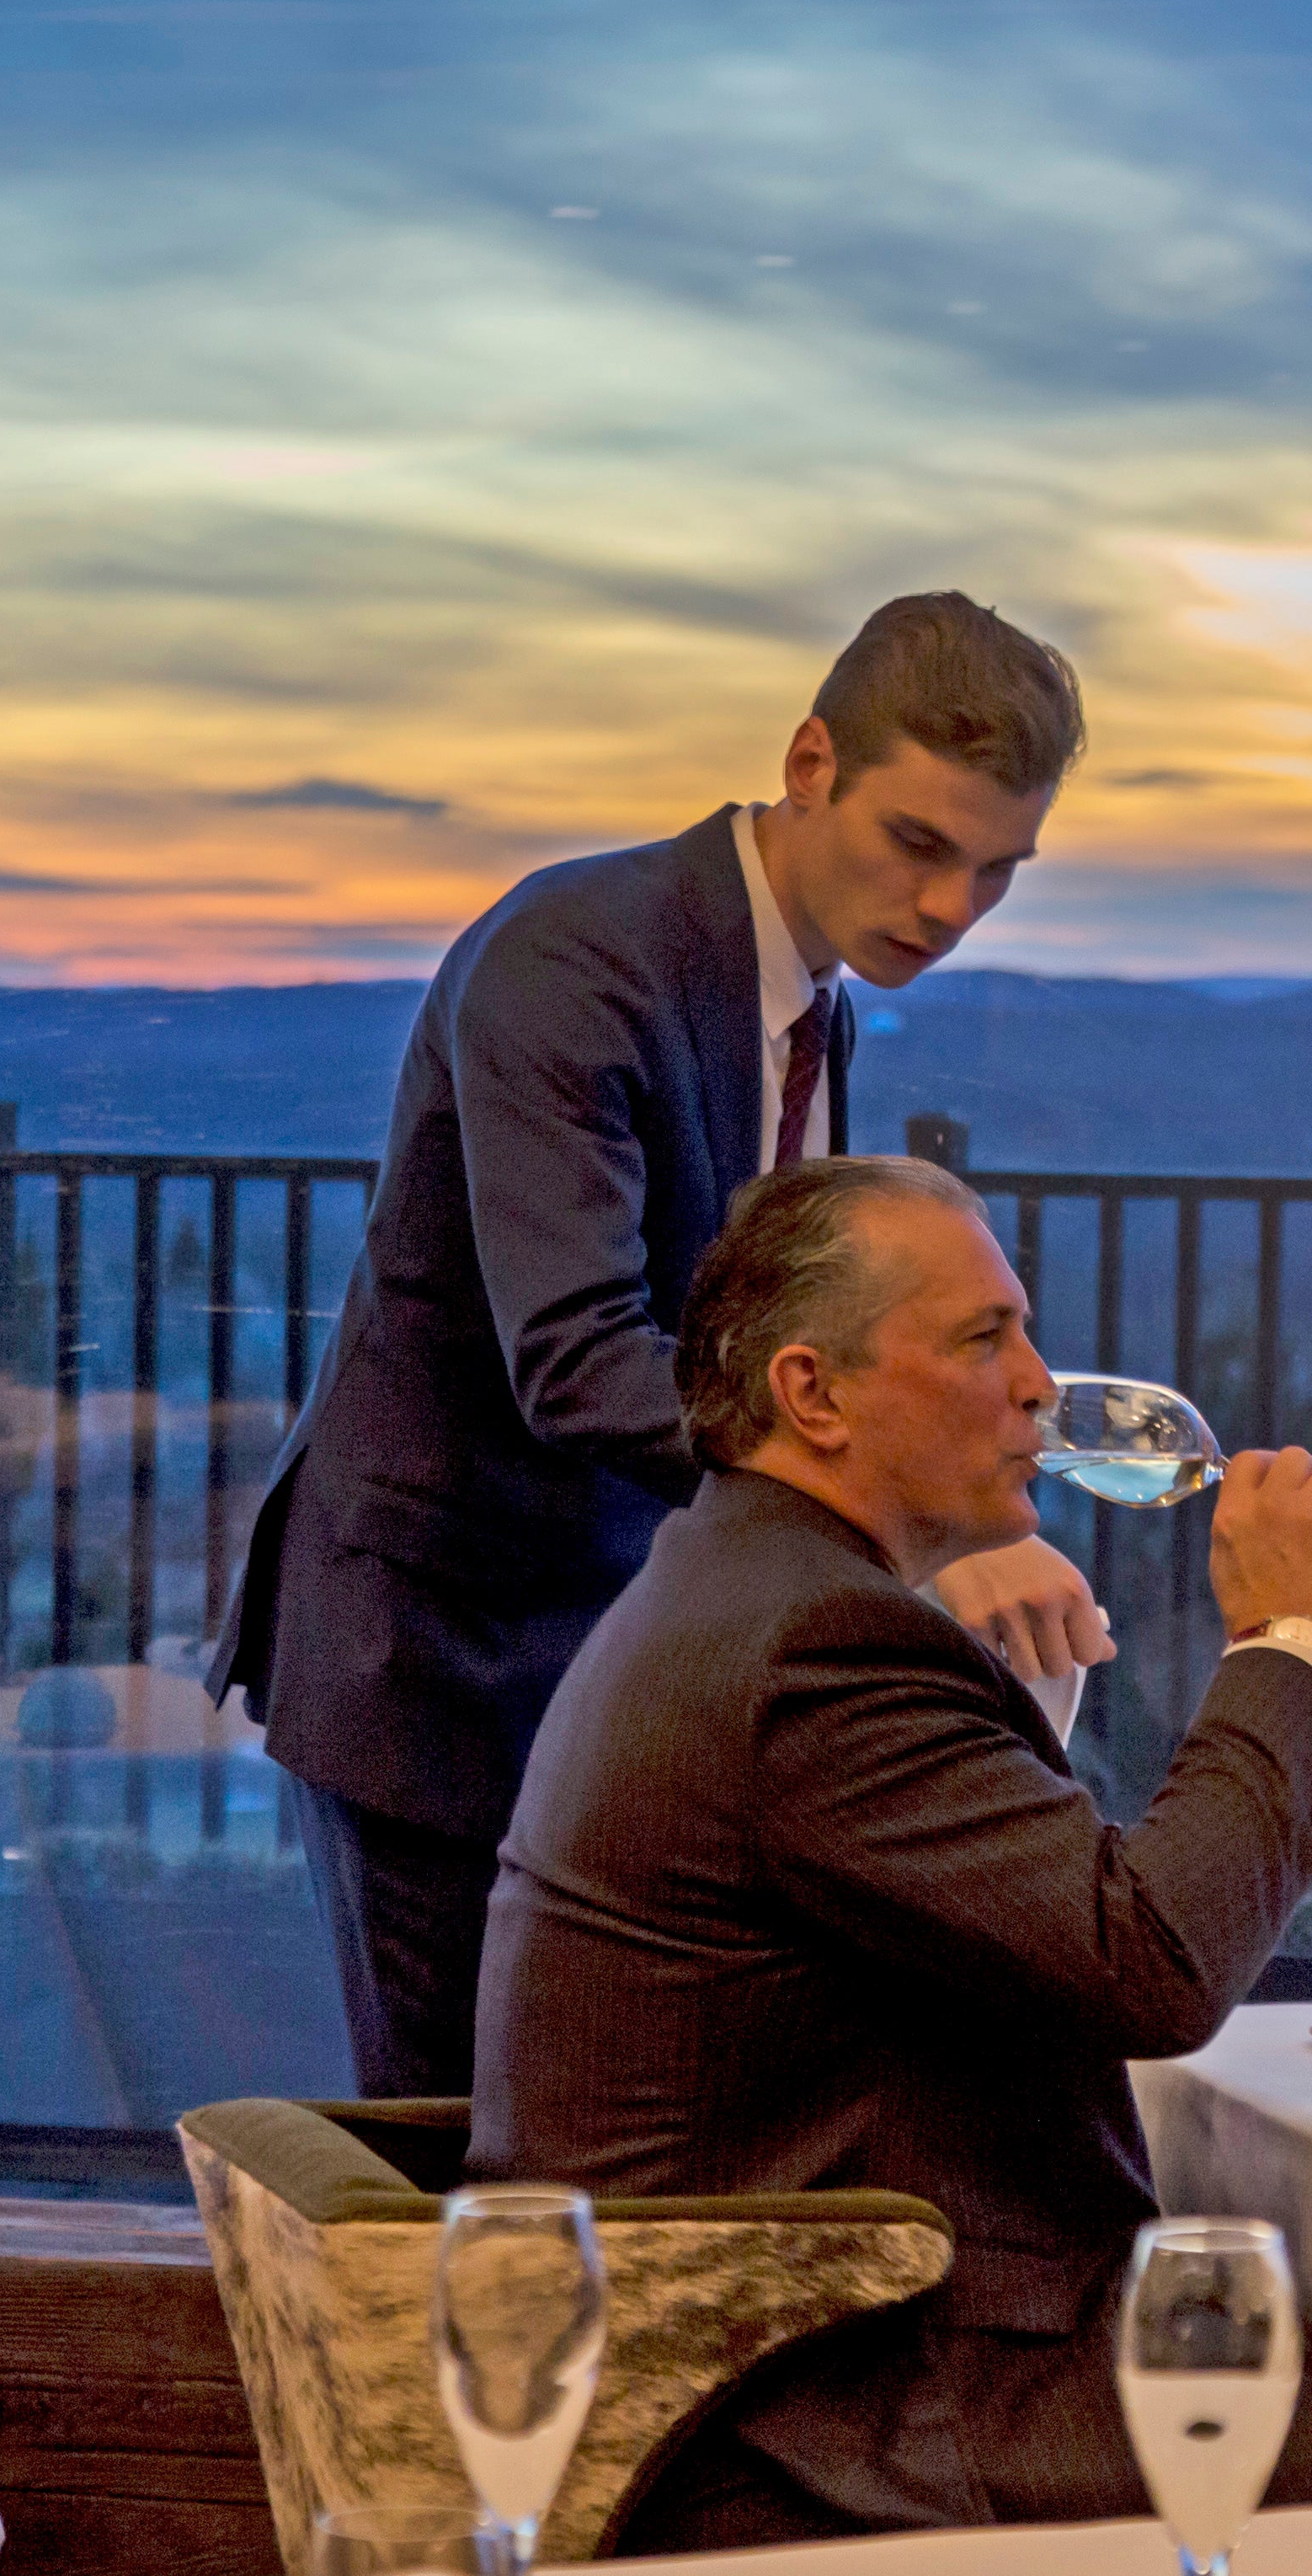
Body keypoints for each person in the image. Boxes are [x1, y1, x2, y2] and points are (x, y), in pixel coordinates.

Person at [211, 594, 1114, 2097]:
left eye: (996, 872)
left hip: (617, 1667)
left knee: (617, 2174)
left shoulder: (811, 1003)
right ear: (809, 761)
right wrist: (906, 1516)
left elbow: (774, 1344)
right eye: (920, 844)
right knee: (463, 2207)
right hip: (447, 1665)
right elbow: (579, 1361)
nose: (953, 907)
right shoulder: (575, 961)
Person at [472, 1156, 1312, 2546]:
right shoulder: (819, 1645)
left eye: (1024, 1330)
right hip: (820, 2421)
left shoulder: (748, 1588)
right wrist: (1285, 1639)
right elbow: (1153, 1964)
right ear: (812, 1393)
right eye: (981, 1339)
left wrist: (1033, 1739)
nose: (1037, 1381)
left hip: (775, 2361)